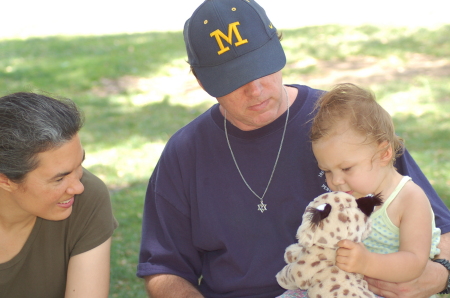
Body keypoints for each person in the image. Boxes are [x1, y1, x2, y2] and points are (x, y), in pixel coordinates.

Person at [137, 0, 450, 297]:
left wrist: (441, 273)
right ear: (202, 81)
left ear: (278, 48)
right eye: (233, 79)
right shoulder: (184, 154)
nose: (255, 90)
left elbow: (441, 230)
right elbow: (165, 270)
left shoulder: (344, 125)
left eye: (261, 67)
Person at [278, 83, 442, 298]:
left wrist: (367, 263)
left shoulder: (409, 198)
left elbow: (415, 262)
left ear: (384, 153)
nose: (335, 181)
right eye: (326, 170)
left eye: (346, 168)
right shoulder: (348, 198)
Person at [0, 92, 118, 298]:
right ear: (5, 180)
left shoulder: (88, 197)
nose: (78, 187)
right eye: (59, 179)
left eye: (79, 165)